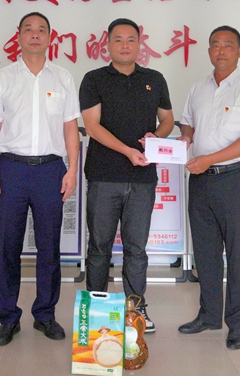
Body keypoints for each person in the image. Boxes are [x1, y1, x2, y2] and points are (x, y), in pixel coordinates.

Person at [0, 12, 80, 346]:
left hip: (51, 170)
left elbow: (70, 128)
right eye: (29, 30)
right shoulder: (4, 78)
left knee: (49, 247)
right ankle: (8, 318)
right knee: (7, 247)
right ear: (19, 36)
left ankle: (45, 315)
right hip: (10, 169)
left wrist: (71, 169)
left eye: (41, 30)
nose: (35, 35)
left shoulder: (63, 78)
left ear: (50, 37)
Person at [177, 25, 240, 350]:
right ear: (208, 51)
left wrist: (208, 159)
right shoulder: (198, 88)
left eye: (228, 45)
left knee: (238, 255)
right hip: (201, 181)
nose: (221, 50)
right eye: (215, 45)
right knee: (205, 253)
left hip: (235, 180)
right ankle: (208, 315)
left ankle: (237, 324)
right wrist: (185, 139)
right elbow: (188, 123)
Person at [79, 18, 174, 333]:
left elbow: (167, 119)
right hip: (104, 177)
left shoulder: (154, 79)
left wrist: (156, 136)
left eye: (130, 39)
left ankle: (136, 310)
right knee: (99, 247)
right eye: (118, 39)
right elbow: (92, 126)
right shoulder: (94, 79)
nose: (124, 45)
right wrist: (128, 151)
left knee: (136, 249)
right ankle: (97, 311)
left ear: (139, 44)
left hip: (142, 179)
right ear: (107, 44)